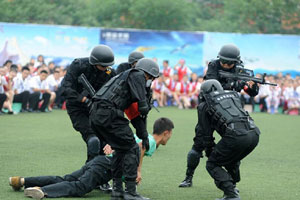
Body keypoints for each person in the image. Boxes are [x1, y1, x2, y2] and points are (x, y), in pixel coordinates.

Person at [9, 117, 174, 200]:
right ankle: (42, 191)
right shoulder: (151, 141)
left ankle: (22, 181)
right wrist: (137, 171)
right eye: (170, 135)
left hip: (101, 161)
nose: (170, 138)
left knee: (65, 178)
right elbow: (140, 148)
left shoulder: (143, 138)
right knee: (80, 187)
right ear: (166, 133)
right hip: (105, 166)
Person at [90, 58, 159, 200]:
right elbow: (141, 107)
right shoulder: (137, 74)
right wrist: (144, 104)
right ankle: (130, 192)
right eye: (150, 77)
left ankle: (117, 190)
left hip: (97, 115)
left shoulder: (124, 82)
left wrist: (144, 135)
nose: (150, 81)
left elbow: (134, 116)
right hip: (109, 114)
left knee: (120, 148)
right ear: (146, 73)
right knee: (132, 148)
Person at [182, 80, 260, 200]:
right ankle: (233, 184)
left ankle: (231, 193)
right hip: (254, 134)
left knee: (212, 164)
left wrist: (209, 149)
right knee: (231, 158)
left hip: (236, 137)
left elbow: (205, 134)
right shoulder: (233, 96)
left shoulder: (205, 105)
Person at [61, 44, 116, 163]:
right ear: (95, 62)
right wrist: (83, 99)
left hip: (96, 109)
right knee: (93, 139)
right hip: (77, 108)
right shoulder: (79, 65)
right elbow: (65, 88)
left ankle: (98, 175)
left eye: (108, 66)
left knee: (103, 141)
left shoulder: (109, 72)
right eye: (103, 66)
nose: (106, 68)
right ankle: (90, 173)